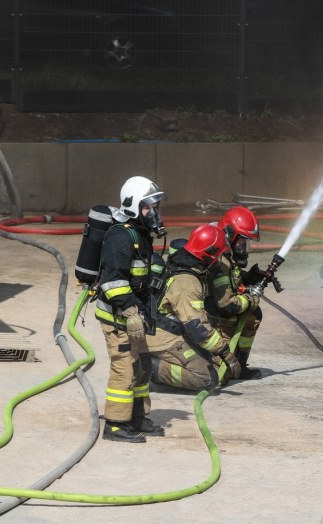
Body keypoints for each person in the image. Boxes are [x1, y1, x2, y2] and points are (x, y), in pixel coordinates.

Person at [94, 176, 168, 443]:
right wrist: (129, 312)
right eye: (149, 207)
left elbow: (141, 273)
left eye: (156, 207)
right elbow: (112, 282)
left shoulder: (141, 234)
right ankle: (115, 425)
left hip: (134, 313)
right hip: (116, 316)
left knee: (142, 366)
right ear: (134, 206)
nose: (154, 213)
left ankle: (137, 416)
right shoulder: (120, 236)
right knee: (124, 367)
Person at [147, 224, 242, 390]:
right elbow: (197, 327)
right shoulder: (188, 283)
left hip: (172, 331)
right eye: (218, 256)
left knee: (216, 366)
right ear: (208, 256)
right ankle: (146, 367)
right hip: (163, 339)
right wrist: (225, 353)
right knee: (207, 377)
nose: (219, 261)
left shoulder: (185, 265)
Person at [206, 206, 263, 380]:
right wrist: (251, 299)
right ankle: (227, 365)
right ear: (231, 234)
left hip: (217, 309)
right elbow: (226, 304)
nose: (245, 248)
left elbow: (232, 280)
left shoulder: (227, 251)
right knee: (219, 376)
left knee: (253, 315)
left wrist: (248, 278)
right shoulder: (220, 258)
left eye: (247, 244)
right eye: (242, 242)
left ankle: (240, 364)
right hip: (211, 316)